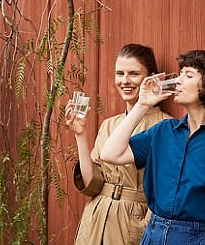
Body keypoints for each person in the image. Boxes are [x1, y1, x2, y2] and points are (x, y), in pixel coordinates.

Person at [100, 49, 205, 244]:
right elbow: (110, 153)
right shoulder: (162, 131)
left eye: (188, 75)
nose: (178, 81)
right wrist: (142, 104)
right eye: (180, 74)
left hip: (198, 238)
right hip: (152, 234)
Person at [65, 44, 172, 245]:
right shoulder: (108, 125)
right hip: (96, 219)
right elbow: (92, 185)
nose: (125, 81)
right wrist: (80, 135)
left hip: (132, 222)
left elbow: (165, 188)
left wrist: (146, 226)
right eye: (120, 73)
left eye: (134, 74)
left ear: (151, 78)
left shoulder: (165, 126)